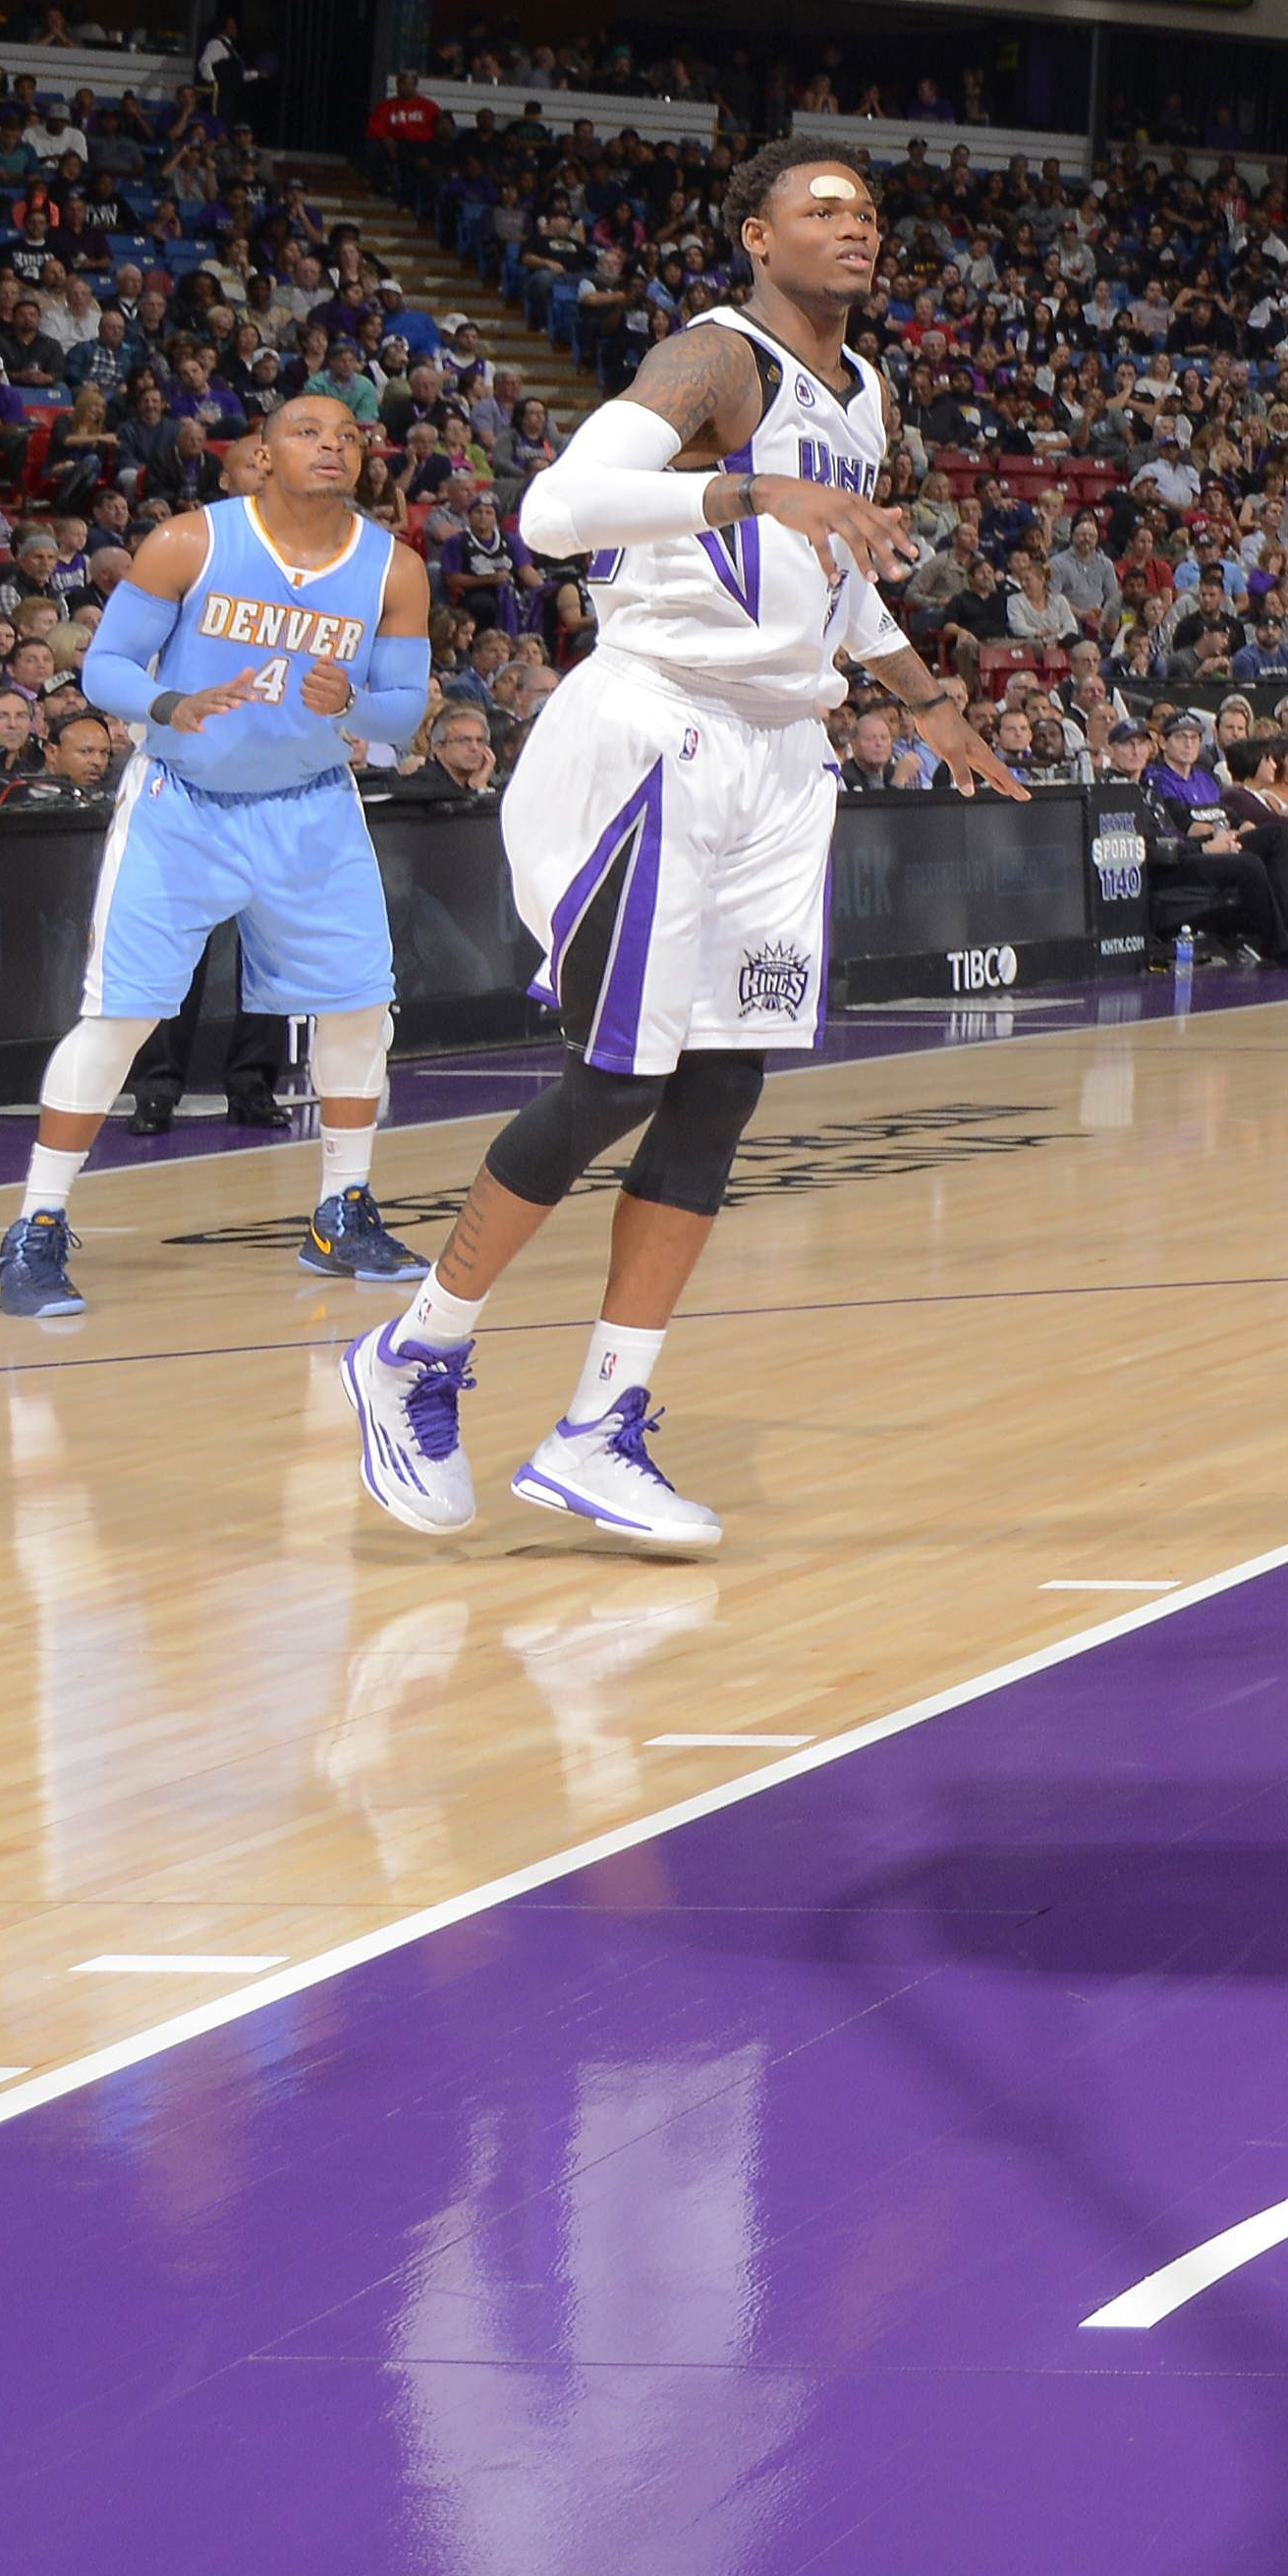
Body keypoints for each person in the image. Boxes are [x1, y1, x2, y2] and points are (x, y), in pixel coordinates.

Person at [336, 144, 1019, 1557]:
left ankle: (601, 1422)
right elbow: (552, 513)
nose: (855, 227)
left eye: (868, 211)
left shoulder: (862, 390)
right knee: (617, 1074)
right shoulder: (716, 358)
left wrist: (936, 710)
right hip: (658, 735)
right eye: (821, 208)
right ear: (754, 234)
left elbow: (835, 586)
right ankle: (417, 1348)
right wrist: (753, 494)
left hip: (779, 755)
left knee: (720, 1086)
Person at [0, 392, 439, 1318]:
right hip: (181, 807)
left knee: (360, 1013)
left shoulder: (394, 567)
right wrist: (167, 706)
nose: (332, 446)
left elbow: (401, 710)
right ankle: (34, 1229)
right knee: (118, 1019)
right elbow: (106, 665)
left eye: (348, 435)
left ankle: (341, 1209)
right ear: (260, 455)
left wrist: (347, 706)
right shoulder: (190, 541)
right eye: (307, 432)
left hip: (313, 808)